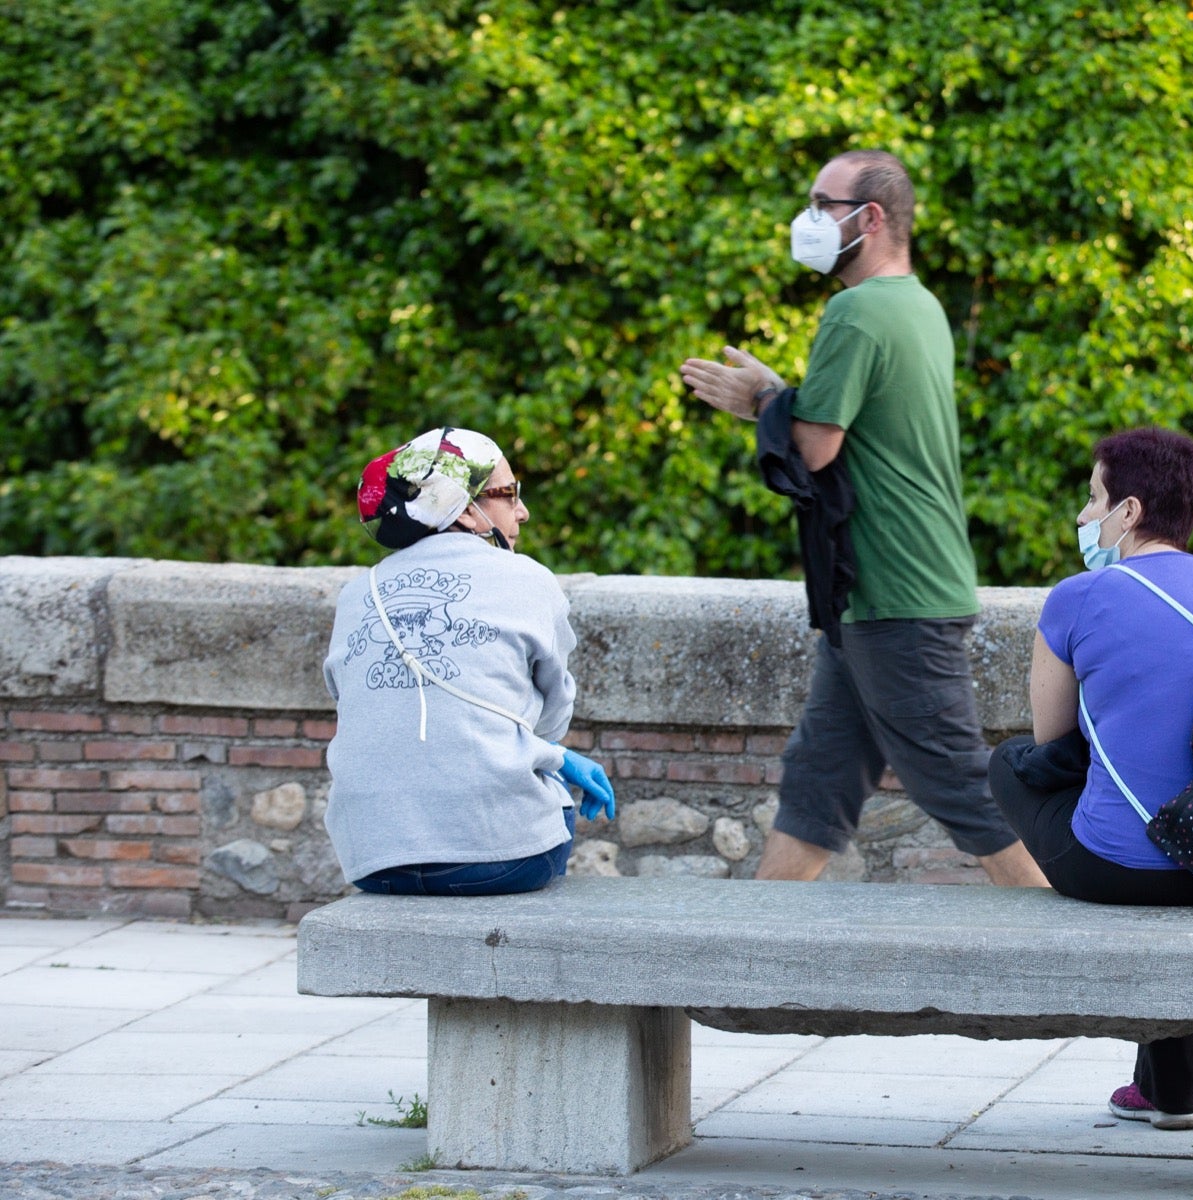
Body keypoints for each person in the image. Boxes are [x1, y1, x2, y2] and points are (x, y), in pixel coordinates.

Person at [679, 149, 1046, 887]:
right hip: (876, 594)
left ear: (870, 218)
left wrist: (759, 400)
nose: (807, 219)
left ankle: (1080, 961)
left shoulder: (856, 310)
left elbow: (815, 446)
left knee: (964, 793)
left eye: (824, 204)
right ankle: (757, 957)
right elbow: (858, 432)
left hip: (896, 594)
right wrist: (780, 394)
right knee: (817, 788)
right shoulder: (917, 304)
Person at [989, 427, 1193, 1130]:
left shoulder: (1077, 597)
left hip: (1121, 868)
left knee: (1014, 766)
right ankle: (1169, 1091)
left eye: (1093, 498)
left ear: (1129, 512)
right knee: (1189, 824)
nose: (1084, 517)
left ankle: (1165, 1084)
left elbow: (1053, 745)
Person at [321, 426, 614, 896]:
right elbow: (553, 715)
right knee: (554, 804)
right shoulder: (528, 579)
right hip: (502, 861)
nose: (522, 511)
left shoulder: (357, 594)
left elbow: (354, 702)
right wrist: (554, 756)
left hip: (372, 861)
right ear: (466, 509)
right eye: (509, 494)